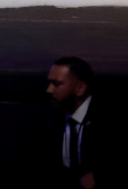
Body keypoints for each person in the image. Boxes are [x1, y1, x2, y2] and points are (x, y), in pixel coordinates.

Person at [44, 57, 109, 189]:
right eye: (49, 83)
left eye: (56, 84)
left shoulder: (108, 120)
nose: (49, 90)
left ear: (80, 88)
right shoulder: (51, 120)